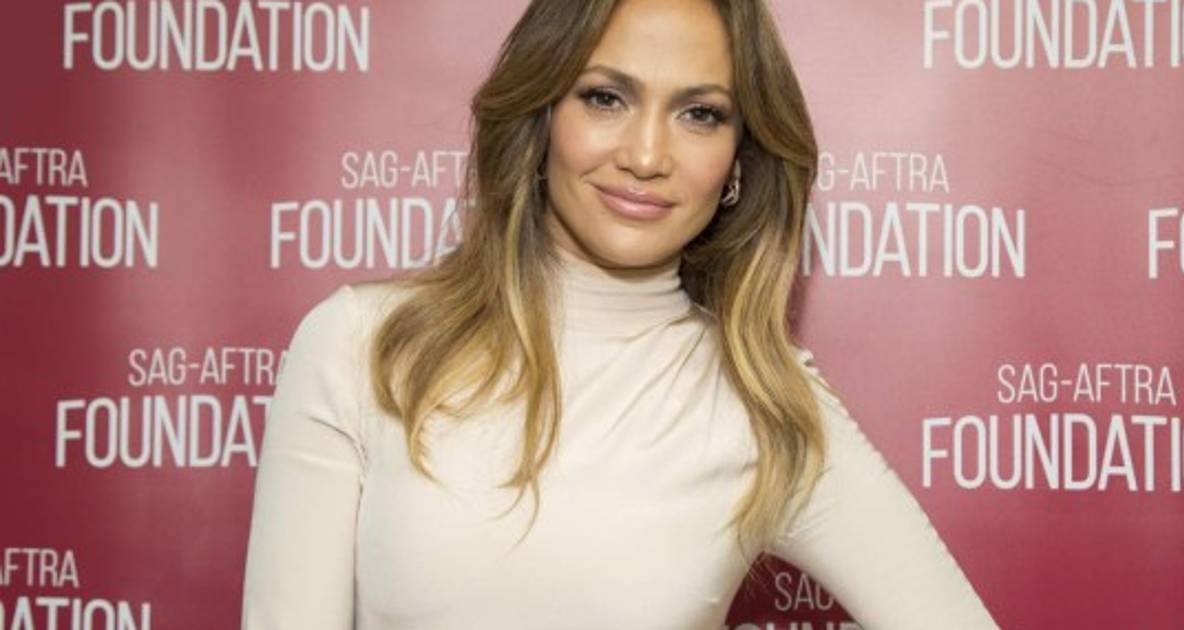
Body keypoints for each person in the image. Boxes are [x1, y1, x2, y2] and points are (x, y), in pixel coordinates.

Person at [241, 0, 1001, 628]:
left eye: (699, 114)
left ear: (738, 162)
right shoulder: (363, 345)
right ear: (542, 115)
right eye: (606, 98)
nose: (645, 155)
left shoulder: (765, 408)